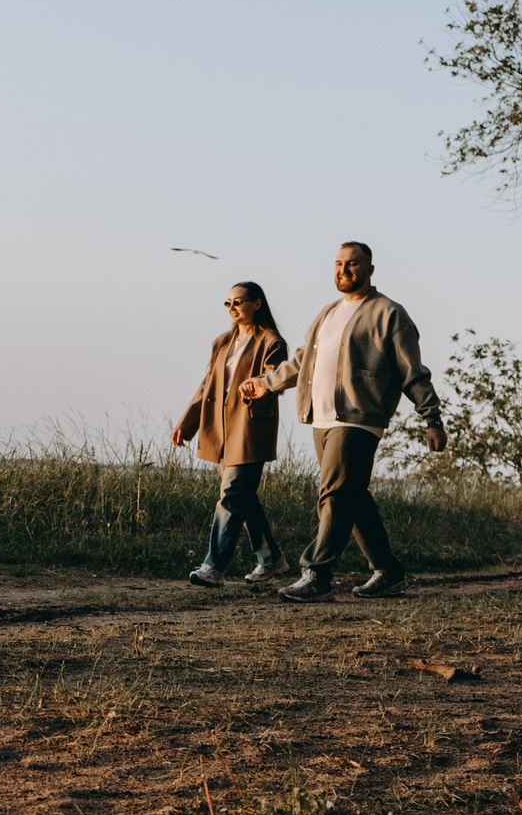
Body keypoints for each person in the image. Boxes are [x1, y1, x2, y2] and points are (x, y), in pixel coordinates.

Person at [241, 242, 444, 599]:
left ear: (369, 269)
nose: (343, 270)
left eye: (352, 264)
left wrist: (432, 417)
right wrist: (265, 384)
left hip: (359, 418)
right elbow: (300, 362)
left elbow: (413, 372)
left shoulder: (389, 314)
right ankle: (389, 571)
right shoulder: (328, 313)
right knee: (353, 495)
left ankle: (317, 574)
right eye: (338, 264)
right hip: (321, 417)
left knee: (333, 494)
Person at [172, 282, 291, 585]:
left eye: (238, 301)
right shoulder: (222, 342)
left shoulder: (272, 342)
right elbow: (206, 386)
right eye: (228, 303)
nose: (233, 308)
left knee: (232, 496)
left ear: (257, 304)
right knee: (244, 498)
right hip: (219, 428)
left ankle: (214, 567)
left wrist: (259, 385)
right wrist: (188, 424)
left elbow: (273, 380)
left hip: (249, 427)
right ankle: (272, 560)